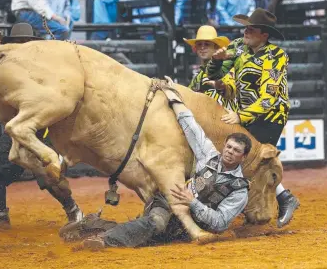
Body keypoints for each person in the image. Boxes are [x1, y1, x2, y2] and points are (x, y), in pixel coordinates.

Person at [69, 86, 252, 250]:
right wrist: (173, 96)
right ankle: (103, 240)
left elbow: (220, 223)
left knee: (148, 234)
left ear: (243, 157)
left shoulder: (239, 190)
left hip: (184, 226)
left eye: (236, 150)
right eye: (228, 147)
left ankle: (94, 224)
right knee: (156, 223)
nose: (229, 152)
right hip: (166, 202)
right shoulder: (210, 155)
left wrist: (192, 202)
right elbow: (192, 127)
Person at [0, 23, 83, 231]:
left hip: (41, 128)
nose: (22, 44)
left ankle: (73, 210)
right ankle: (1, 216)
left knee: (48, 175)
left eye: (25, 41)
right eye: (18, 41)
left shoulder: (43, 63)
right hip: (15, 129)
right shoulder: (3, 61)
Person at [206, 8, 299, 228]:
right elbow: (216, 75)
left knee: (249, 161)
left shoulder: (276, 56)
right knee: (247, 162)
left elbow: (270, 97)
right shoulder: (238, 46)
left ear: (264, 34)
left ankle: (253, 207)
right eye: (245, 27)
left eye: (251, 29)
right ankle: (282, 199)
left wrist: (240, 115)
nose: (245, 31)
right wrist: (218, 63)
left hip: (270, 118)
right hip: (244, 115)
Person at [184, 25, 237, 112]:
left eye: (207, 44)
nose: (202, 47)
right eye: (199, 44)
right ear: (195, 48)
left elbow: (232, 91)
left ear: (215, 47)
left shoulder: (225, 68)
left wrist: (221, 87)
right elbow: (188, 95)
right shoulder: (199, 76)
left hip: (226, 121)